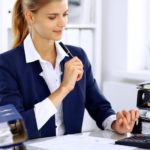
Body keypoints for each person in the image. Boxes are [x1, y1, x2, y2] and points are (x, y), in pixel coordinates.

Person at [0, 0, 139, 139]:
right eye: (52, 17)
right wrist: (64, 88)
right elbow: (13, 130)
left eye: (65, 14)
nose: (62, 23)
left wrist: (115, 123)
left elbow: (99, 106)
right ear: (30, 17)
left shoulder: (78, 56)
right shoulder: (7, 64)